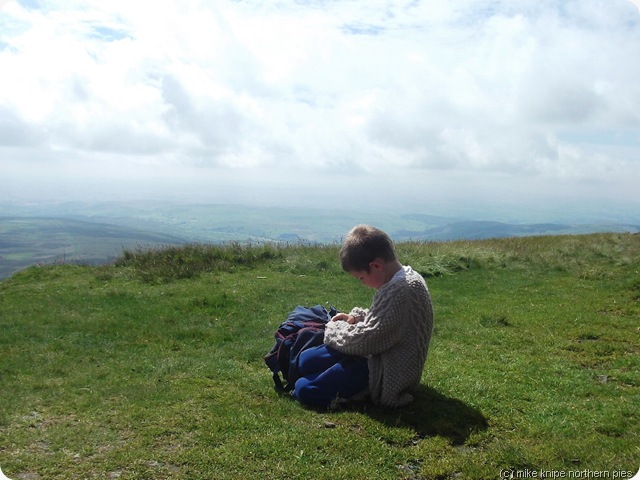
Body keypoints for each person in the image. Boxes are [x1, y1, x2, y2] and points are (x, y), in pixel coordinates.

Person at [293, 224, 434, 408]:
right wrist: (356, 318)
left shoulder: (401, 291)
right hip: (376, 354)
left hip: (384, 371)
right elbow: (386, 320)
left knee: (303, 388)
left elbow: (367, 340)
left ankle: (358, 395)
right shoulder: (405, 278)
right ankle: (340, 381)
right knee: (305, 361)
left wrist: (333, 328)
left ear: (376, 265)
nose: (363, 283)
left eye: (361, 278)